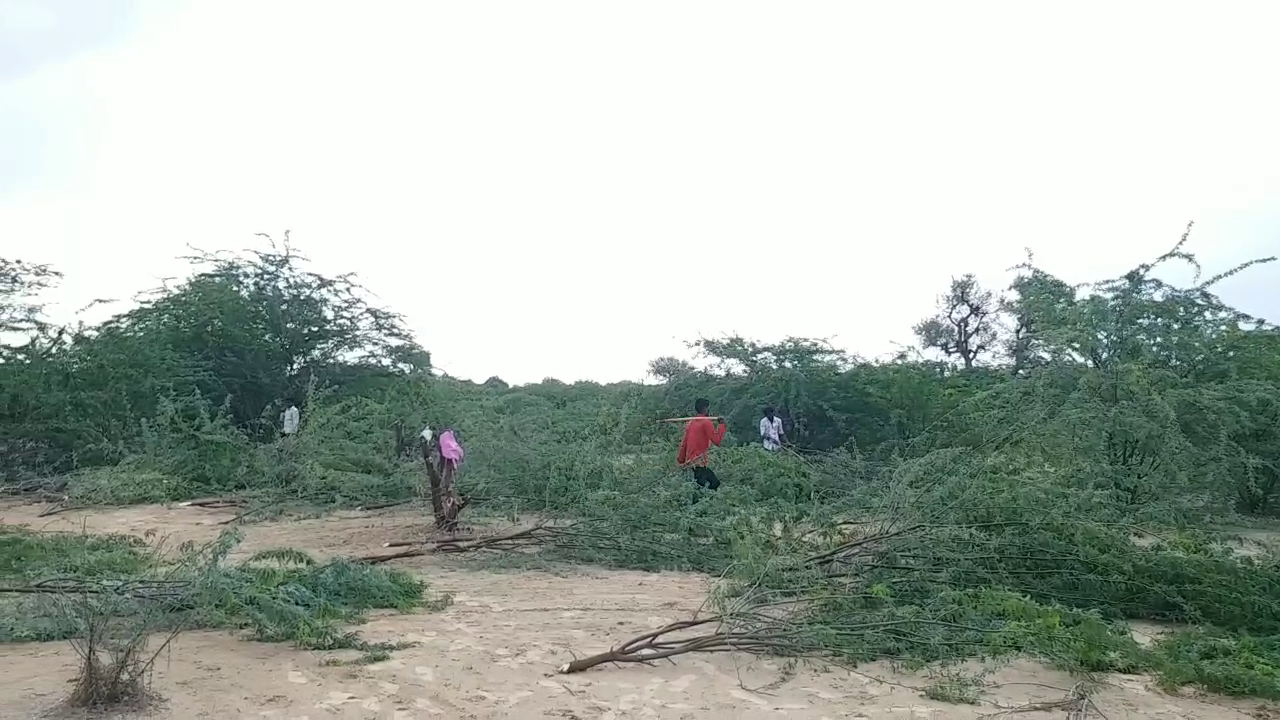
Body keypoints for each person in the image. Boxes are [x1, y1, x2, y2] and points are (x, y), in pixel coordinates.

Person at [677, 398, 727, 489]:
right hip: (699, 462)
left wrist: (681, 460)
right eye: (708, 408)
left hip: (691, 462)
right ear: (704, 408)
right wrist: (722, 425)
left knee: (703, 486)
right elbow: (716, 441)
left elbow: (684, 443)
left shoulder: (691, 423)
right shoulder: (706, 422)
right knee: (713, 484)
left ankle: (706, 500)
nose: (708, 410)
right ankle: (706, 501)